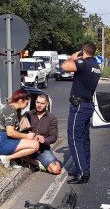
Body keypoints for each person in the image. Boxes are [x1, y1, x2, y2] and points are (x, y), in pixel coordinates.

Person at [60, 41, 101, 184]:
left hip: (79, 107)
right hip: (87, 105)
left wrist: (75, 56)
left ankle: (82, 173)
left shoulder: (84, 63)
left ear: (83, 52)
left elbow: (64, 66)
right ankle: (84, 169)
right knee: (84, 139)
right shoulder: (96, 65)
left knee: (74, 138)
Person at [0, 88, 40, 168]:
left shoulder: (11, 109)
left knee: (32, 142)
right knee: (35, 145)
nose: (27, 105)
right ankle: (6, 158)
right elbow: (10, 132)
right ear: (21, 100)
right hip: (2, 141)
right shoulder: (10, 110)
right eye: (26, 103)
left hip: (3, 140)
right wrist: (27, 136)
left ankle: (11, 160)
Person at [21, 93, 62, 174]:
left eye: (42, 103)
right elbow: (20, 131)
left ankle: (37, 162)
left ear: (47, 104)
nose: (39, 105)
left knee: (56, 170)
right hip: (28, 147)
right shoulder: (28, 115)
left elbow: (53, 137)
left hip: (42, 150)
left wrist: (44, 140)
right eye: (37, 102)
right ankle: (35, 162)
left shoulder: (52, 118)